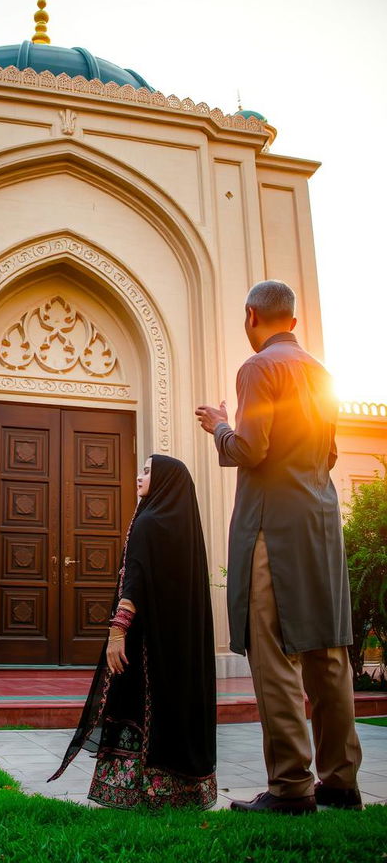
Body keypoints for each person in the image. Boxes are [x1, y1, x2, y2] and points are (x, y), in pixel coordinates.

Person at [195, 279, 362, 815]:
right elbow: (330, 454)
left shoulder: (258, 368)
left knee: (275, 657)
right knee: (327, 653)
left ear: (252, 316)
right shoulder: (323, 374)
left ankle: (291, 787)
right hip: (320, 521)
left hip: (274, 528)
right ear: (291, 317)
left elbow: (250, 448)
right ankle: (340, 782)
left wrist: (219, 426)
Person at [48, 454, 217, 809]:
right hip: (179, 647)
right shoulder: (184, 528)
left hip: (145, 646)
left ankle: (139, 792)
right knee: (173, 710)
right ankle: (182, 795)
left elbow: (135, 579)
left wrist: (117, 631)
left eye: (146, 472)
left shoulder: (149, 523)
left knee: (139, 706)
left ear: (166, 481)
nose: (138, 477)